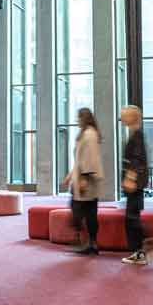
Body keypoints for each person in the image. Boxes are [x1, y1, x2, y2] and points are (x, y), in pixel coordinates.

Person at [60, 108, 102, 255]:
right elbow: (79, 159)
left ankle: (87, 242)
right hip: (83, 178)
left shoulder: (89, 134)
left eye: (79, 118)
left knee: (81, 211)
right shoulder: (86, 134)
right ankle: (89, 243)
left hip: (87, 179)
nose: (77, 120)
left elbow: (89, 159)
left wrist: (84, 178)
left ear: (84, 118)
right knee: (88, 212)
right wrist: (70, 175)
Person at [119, 105, 150, 265]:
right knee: (132, 217)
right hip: (136, 182)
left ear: (133, 117)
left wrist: (130, 178)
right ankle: (140, 251)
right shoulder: (135, 134)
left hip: (135, 183)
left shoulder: (137, 135)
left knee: (132, 218)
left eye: (124, 115)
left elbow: (137, 159)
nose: (121, 117)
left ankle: (140, 252)